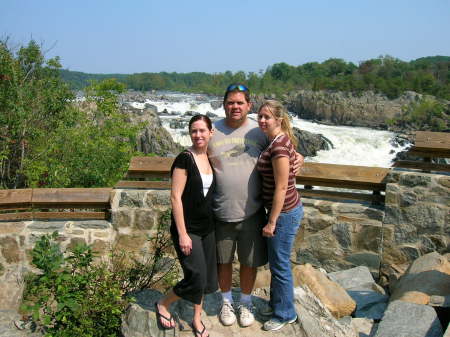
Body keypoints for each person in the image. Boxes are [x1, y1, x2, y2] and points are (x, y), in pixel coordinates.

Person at [207, 84, 303, 328]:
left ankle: (246, 301)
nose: (235, 107)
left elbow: (286, 146)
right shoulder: (212, 131)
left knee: (250, 261)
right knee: (223, 260)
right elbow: (197, 155)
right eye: (230, 102)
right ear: (224, 104)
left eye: (240, 102)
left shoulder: (260, 130)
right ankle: (227, 301)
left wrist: (299, 158)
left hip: (253, 211)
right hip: (221, 209)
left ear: (248, 105)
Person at [156, 114, 217, 337]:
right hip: (188, 229)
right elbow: (175, 197)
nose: (198, 135)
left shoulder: (211, 157)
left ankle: (196, 318)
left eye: (202, 130)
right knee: (196, 276)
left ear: (211, 133)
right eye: (194, 131)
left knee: (207, 277)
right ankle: (163, 303)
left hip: (208, 228)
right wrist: (182, 234)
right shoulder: (184, 158)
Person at [256, 100, 303, 331]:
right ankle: (277, 304)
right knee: (276, 263)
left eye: (267, 117)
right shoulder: (278, 140)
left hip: (283, 213)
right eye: (260, 116)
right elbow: (294, 159)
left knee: (280, 264)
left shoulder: (279, 146)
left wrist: (271, 221)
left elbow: (281, 188)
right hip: (283, 211)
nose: (262, 121)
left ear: (279, 120)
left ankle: (286, 314)